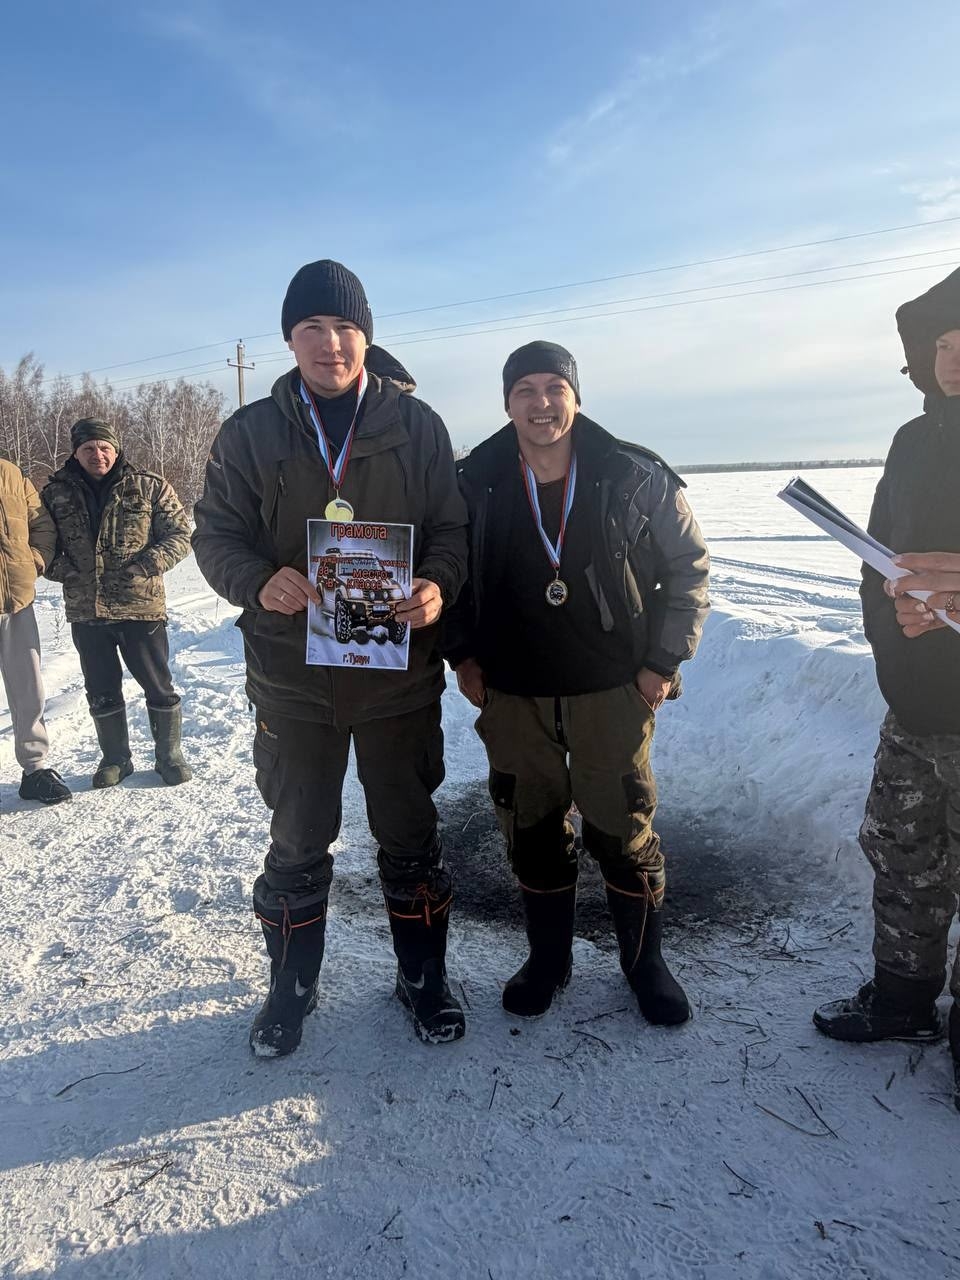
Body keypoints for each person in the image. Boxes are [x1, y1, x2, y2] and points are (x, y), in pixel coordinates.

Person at [192, 260, 469, 1056]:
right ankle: (291, 987)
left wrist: (437, 584)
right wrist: (258, 580)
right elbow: (215, 535)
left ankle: (422, 977)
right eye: (312, 327)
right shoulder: (250, 433)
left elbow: (451, 531)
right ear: (289, 340)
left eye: (345, 327)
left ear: (367, 337)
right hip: (294, 681)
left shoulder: (417, 427)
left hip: (396, 680)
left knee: (410, 836)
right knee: (298, 840)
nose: (330, 343)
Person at [443, 341, 710, 1024]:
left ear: (576, 396)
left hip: (612, 692)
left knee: (623, 828)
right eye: (524, 390)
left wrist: (660, 666)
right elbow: (447, 573)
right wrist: (462, 656)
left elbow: (688, 570)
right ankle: (548, 960)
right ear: (507, 403)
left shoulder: (632, 474)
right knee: (530, 828)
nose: (541, 403)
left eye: (554, 388)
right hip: (514, 695)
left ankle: (645, 965)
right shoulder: (473, 480)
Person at [813, 268, 960, 1110]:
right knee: (903, 852)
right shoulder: (910, 443)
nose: (954, 357)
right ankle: (903, 999)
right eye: (942, 343)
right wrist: (893, 636)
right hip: (915, 705)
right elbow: (880, 560)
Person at [42, 418, 192, 788]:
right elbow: (41, 544)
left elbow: (179, 534)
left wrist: (148, 564)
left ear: (116, 449)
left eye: (104, 447)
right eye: (88, 448)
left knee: (158, 684)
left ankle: (169, 756)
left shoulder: (148, 485)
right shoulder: (55, 494)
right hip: (86, 608)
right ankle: (115, 759)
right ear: (76, 453)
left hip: (139, 606)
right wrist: (65, 571)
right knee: (100, 687)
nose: (98, 455)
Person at [0, 457, 71, 804]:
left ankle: (35, 769)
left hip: (16, 600)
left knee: (28, 690)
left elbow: (41, 523)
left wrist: (34, 561)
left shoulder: (9, 473)